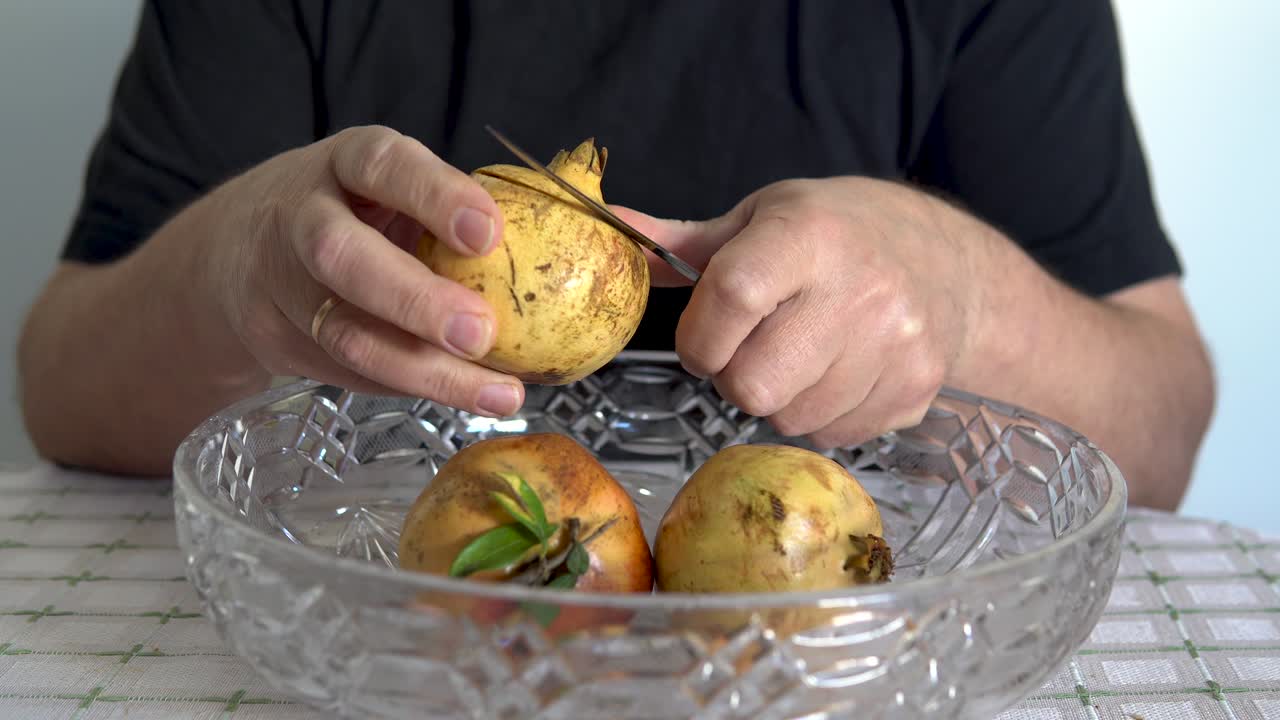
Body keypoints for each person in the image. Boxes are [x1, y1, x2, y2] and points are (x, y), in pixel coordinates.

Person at [17, 1, 1213, 510]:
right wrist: (234, 278)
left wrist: (964, 296)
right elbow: (61, 387)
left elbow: (1160, 426)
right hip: (398, 640)